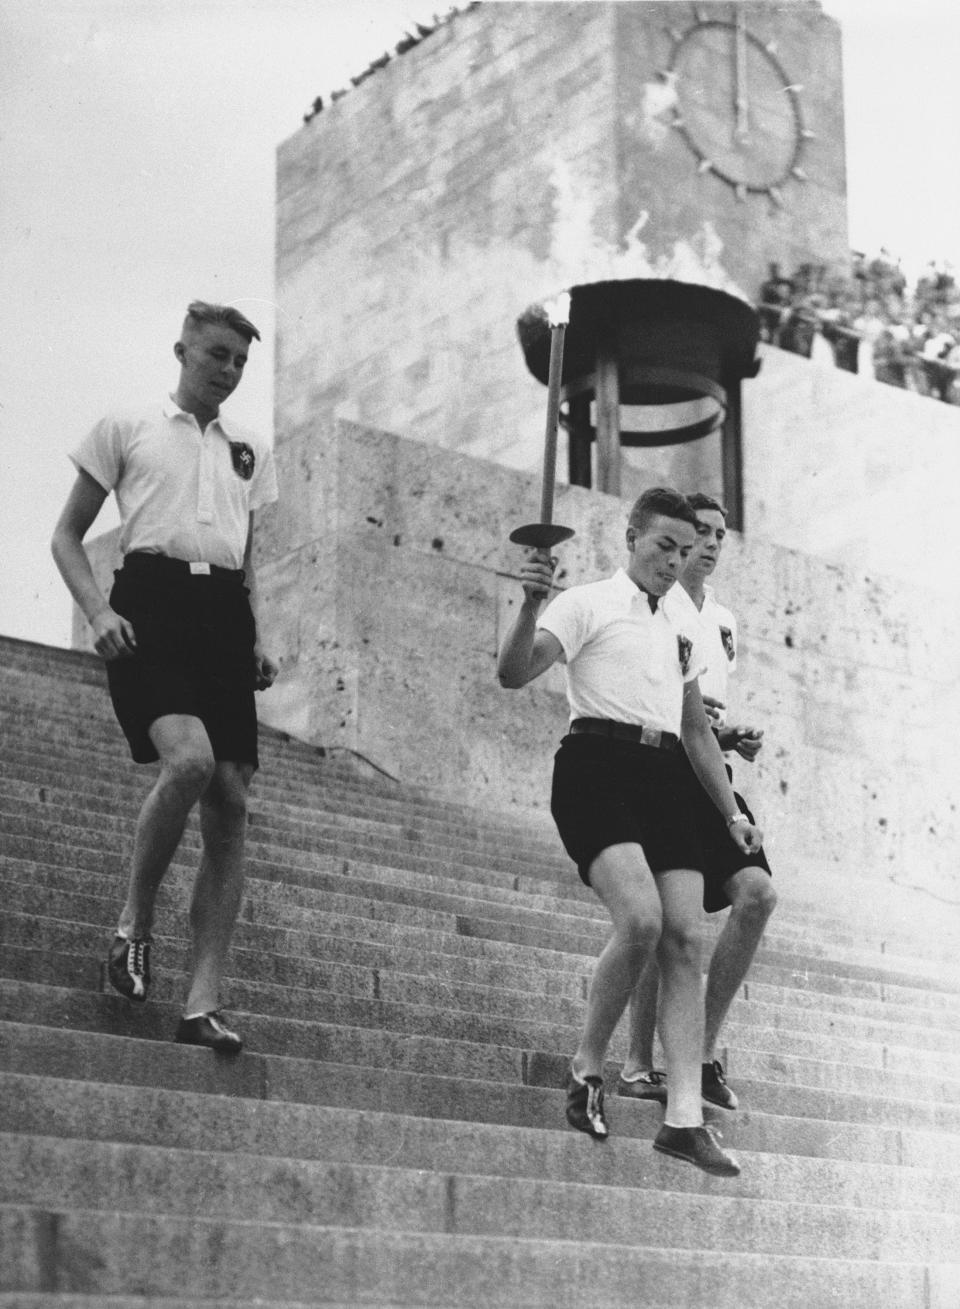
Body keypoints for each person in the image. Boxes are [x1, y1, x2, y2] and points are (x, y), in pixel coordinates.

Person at [497, 487, 763, 1176]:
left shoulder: (683, 618)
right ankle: (587, 1064)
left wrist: (732, 811)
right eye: (662, 546)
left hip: (665, 774)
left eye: (684, 550)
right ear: (631, 537)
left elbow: (697, 729)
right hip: (595, 766)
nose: (674, 561)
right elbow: (513, 671)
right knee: (641, 918)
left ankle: (682, 1119)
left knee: (683, 936)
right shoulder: (585, 601)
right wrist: (529, 605)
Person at [50, 301, 279, 1054]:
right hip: (149, 602)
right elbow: (67, 535)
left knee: (233, 801)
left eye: (241, 361)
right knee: (189, 760)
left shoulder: (251, 445)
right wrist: (96, 611)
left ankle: (202, 1000)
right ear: (181, 348)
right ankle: (133, 923)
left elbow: (249, 556)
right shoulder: (128, 425)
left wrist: (258, 636)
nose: (230, 371)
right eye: (218, 355)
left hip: (223, 614)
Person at [618, 493, 776, 1111]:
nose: (708, 545)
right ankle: (636, 1062)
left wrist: (729, 734)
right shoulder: (650, 604)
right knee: (672, 920)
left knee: (757, 894)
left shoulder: (725, 620)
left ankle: (703, 1052)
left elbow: (704, 712)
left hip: (709, 772)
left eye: (718, 535)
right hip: (658, 769)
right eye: (698, 534)